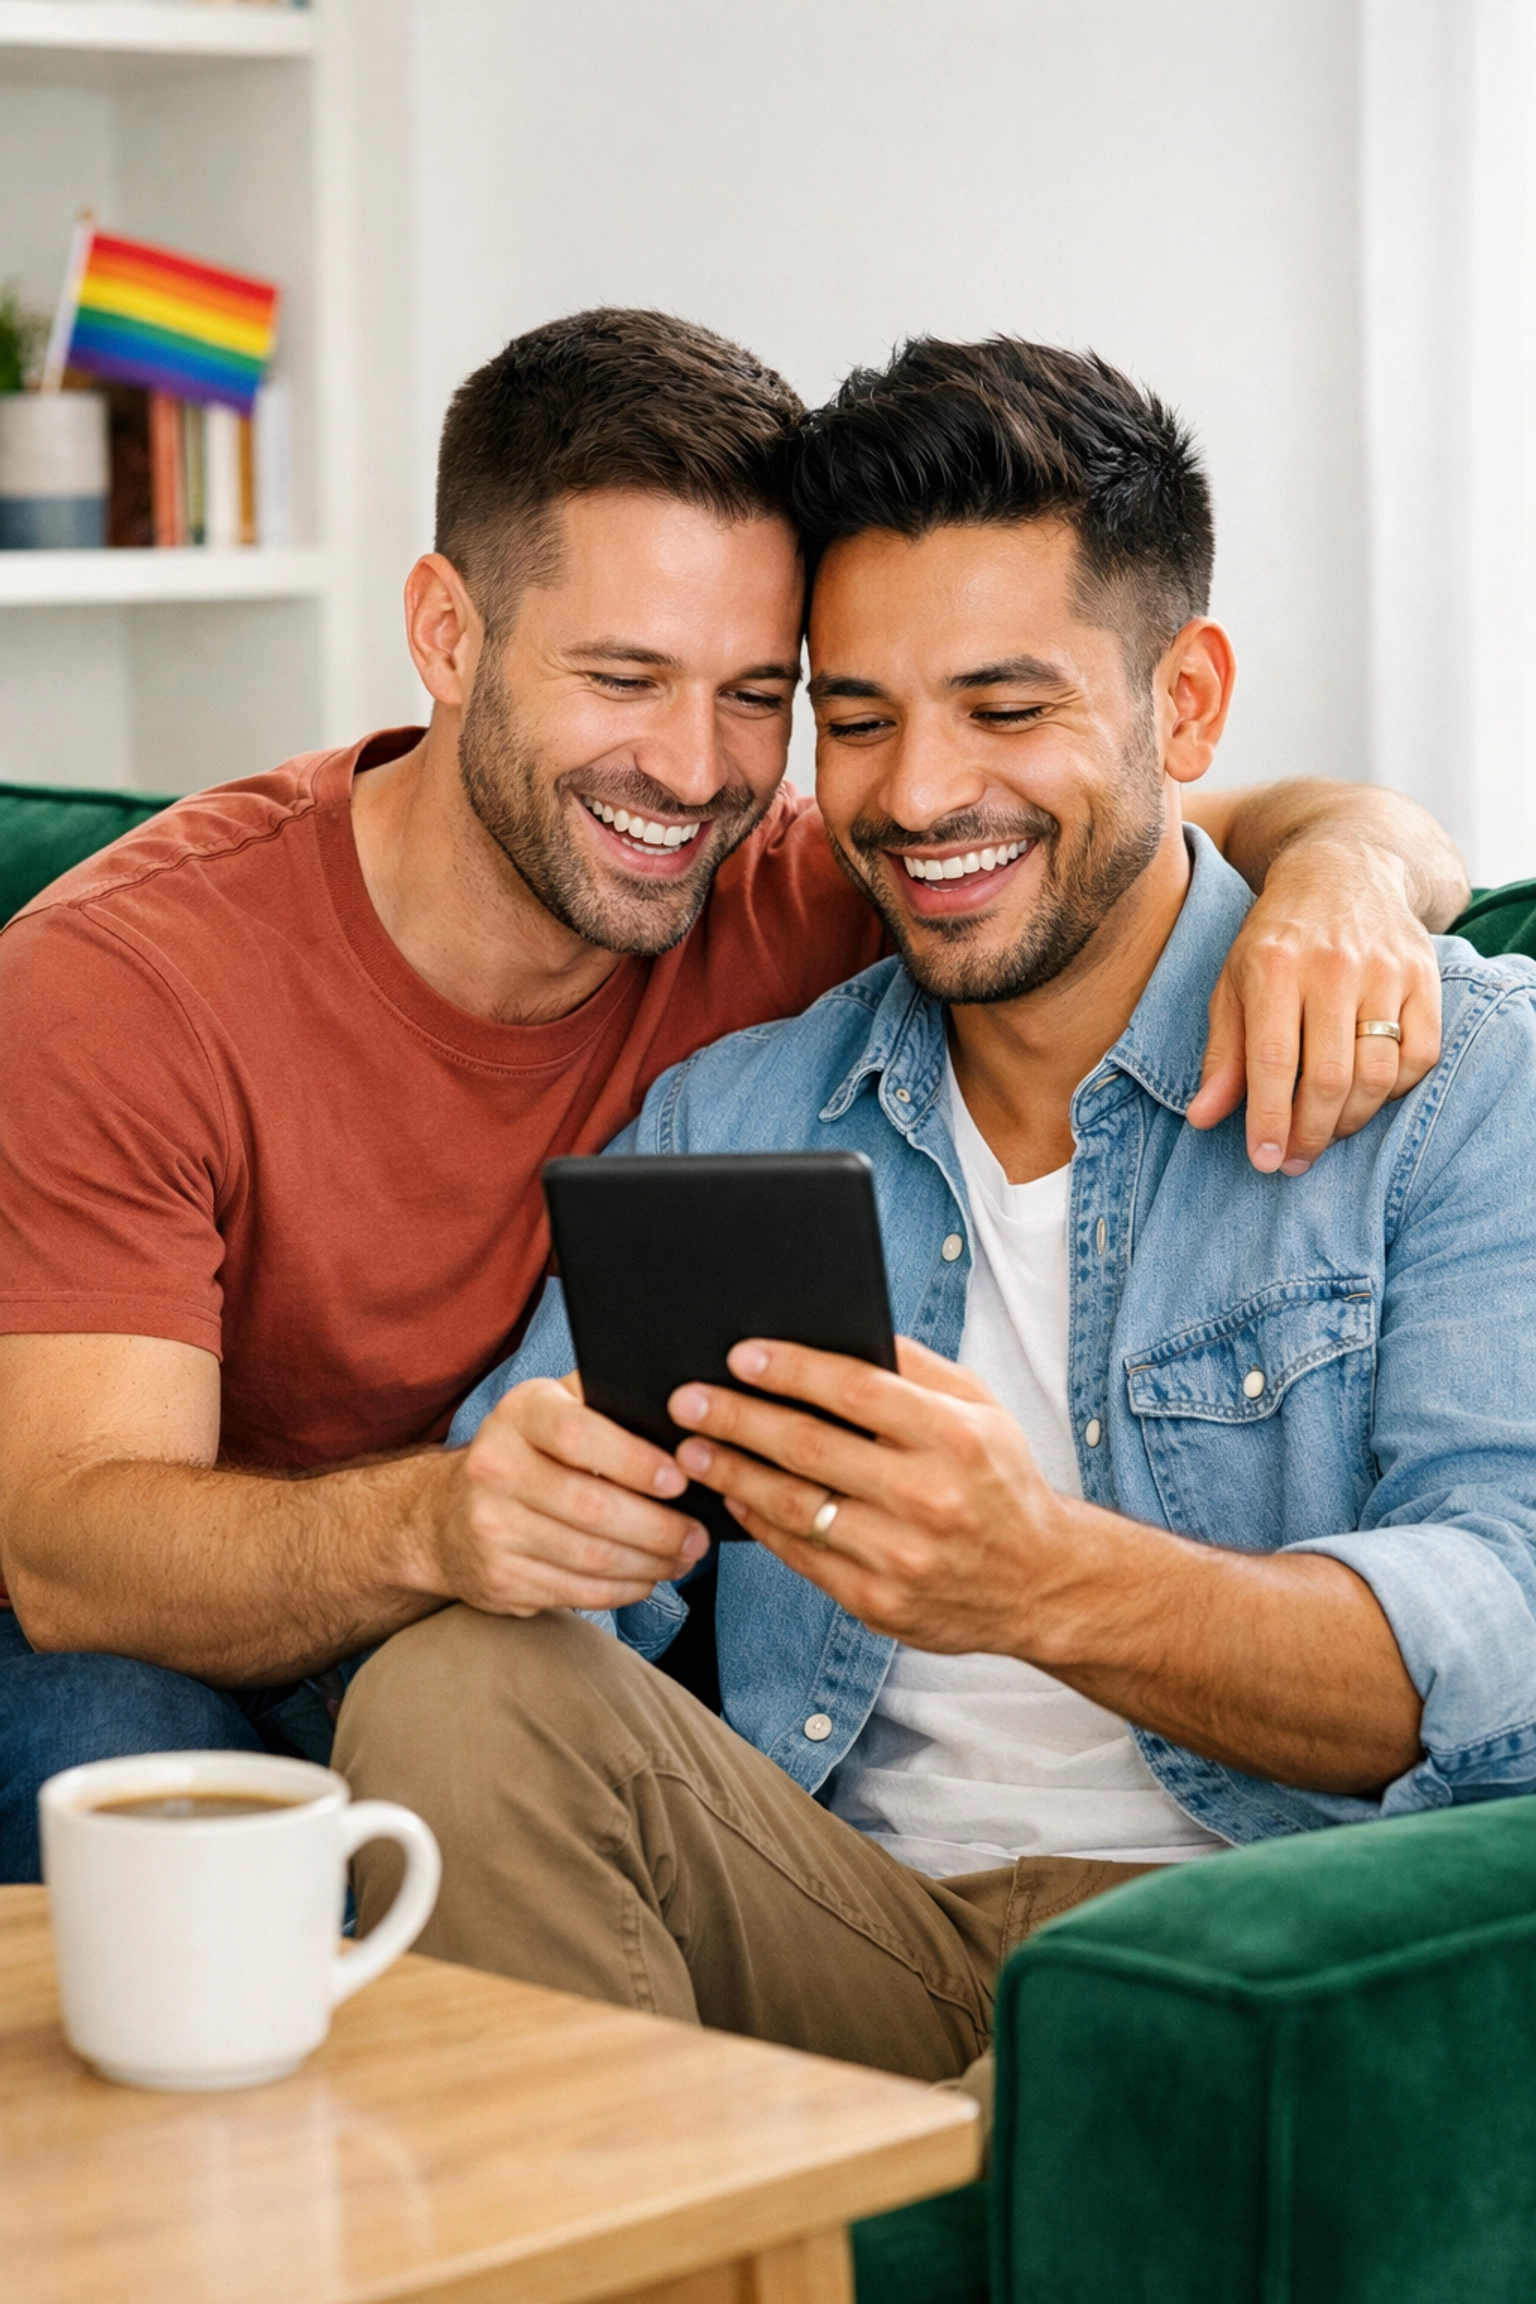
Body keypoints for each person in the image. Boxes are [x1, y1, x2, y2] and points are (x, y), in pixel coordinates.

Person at [0, 313, 1463, 1884]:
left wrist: (1349, 878)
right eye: (625, 678)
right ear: (445, 632)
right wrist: (435, 1528)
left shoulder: (845, 866)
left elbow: (1142, 824)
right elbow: (71, 1548)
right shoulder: (126, 978)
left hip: (596, 1673)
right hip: (240, 1643)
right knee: (117, 1762)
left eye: (762, 695)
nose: (694, 771)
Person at [337, 338, 1536, 2098]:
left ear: (1184, 706)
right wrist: (535, 1521)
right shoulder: (738, 1114)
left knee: (1108, 2065)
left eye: (1007, 708)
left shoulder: (1455, 1078)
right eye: (861, 719)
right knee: (452, 1689)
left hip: (1265, 1952)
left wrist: (1046, 1583)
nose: (913, 798)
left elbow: (1501, 1626)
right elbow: (539, 1593)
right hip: (854, 1924)